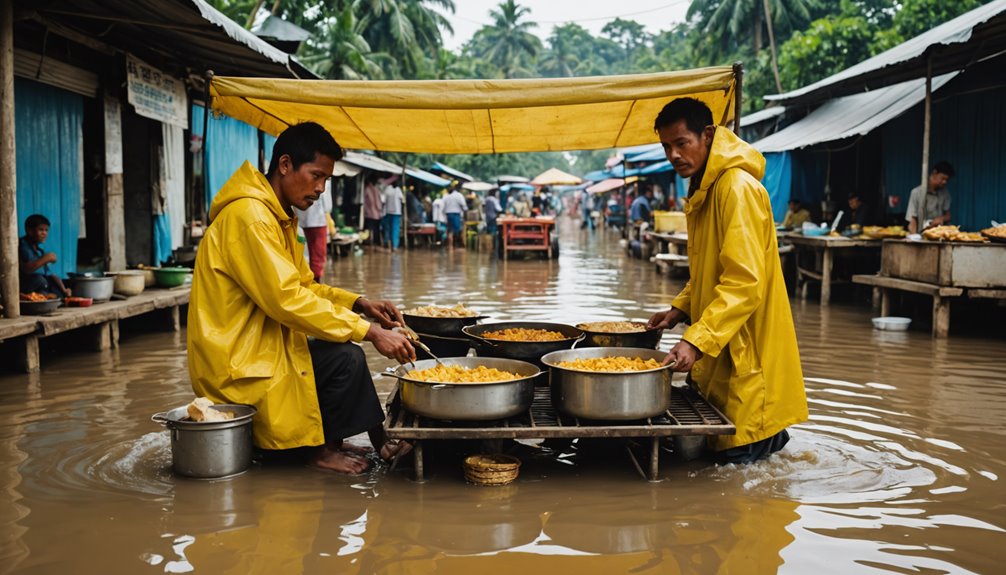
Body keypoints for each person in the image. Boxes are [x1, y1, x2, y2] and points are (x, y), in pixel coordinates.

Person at [187, 122, 415, 475]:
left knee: (345, 357)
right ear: (285, 165)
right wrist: (370, 332)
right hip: (238, 364)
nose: (320, 189)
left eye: (326, 180)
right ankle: (317, 452)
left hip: (263, 349)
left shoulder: (276, 217)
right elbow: (287, 299)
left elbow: (303, 286)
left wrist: (357, 303)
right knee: (347, 355)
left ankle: (376, 439)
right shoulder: (250, 218)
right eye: (315, 176)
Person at [646, 98, 807, 464]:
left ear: (707, 136)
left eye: (681, 143)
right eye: (666, 147)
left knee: (745, 494)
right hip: (723, 356)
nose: (673, 155)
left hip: (747, 360)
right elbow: (708, 271)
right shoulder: (706, 189)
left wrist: (696, 341)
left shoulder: (735, 189)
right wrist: (678, 309)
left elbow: (743, 283)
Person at [18, 214, 71, 297]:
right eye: (41, 230)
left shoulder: (39, 250)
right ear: (29, 231)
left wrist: (64, 289)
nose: (44, 233)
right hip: (26, 284)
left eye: (46, 230)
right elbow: (26, 269)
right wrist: (46, 258)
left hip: (40, 284)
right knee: (40, 280)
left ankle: (46, 295)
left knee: (62, 287)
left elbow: (50, 274)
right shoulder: (22, 245)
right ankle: (35, 295)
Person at [292, 180, 333, 282]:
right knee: (318, 255)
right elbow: (327, 206)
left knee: (303, 254)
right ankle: (315, 282)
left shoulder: (297, 180)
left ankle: (309, 281)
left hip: (300, 221)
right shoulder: (324, 183)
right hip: (317, 221)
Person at [906, 161, 954, 233]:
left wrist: (941, 219)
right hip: (921, 232)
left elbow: (948, 215)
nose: (944, 182)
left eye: (947, 180)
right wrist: (914, 236)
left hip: (939, 233)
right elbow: (913, 220)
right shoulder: (916, 192)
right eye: (942, 178)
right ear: (934, 173)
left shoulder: (945, 193)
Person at [381, 177, 404, 251]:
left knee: (388, 229)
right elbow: (403, 201)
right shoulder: (398, 190)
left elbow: (383, 201)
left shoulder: (387, 189)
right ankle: (394, 246)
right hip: (396, 213)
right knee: (395, 230)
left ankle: (387, 244)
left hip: (388, 212)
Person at [443, 182, 468, 249]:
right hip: (456, 214)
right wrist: (465, 216)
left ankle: (450, 246)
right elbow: (464, 206)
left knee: (450, 231)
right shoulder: (459, 195)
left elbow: (443, 206)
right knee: (457, 230)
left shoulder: (447, 196)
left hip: (448, 214)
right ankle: (456, 245)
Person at [362, 175, 383, 247]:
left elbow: (364, 202)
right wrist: (379, 210)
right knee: (376, 229)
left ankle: (370, 242)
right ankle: (376, 242)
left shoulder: (367, 189)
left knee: (369, 229)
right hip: (377, 214)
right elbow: (379, 202)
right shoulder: (376, 189)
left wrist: (364, 211)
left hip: (369, 214)